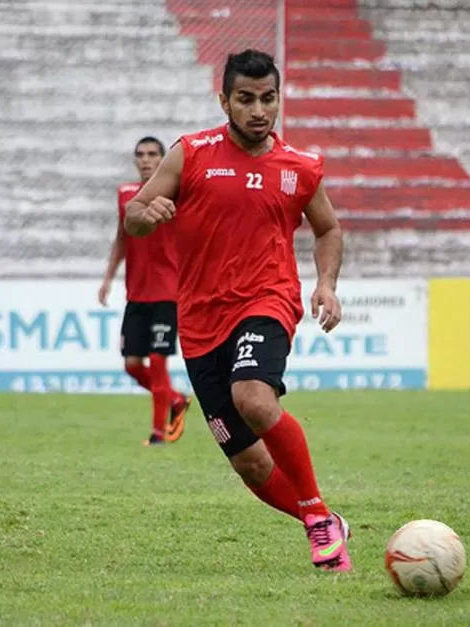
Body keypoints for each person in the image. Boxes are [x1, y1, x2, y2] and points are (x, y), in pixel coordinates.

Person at [123, 50, 352, 572]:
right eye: (245, 99)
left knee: (252, 396)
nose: (258, 110)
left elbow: (329, 228)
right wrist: (147, 212)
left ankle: (317, 518)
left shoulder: (299, 167)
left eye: (268, 98)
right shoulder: (191, 152)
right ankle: (326, 522)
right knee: (250, 463)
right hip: (200, 322)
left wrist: (326, 285)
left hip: (266, 301)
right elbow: (136, 213)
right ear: (223, 99)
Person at [99, 136, 191, 447]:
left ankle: (157, 433)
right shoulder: (126, 195)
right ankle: (176, 399)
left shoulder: (174, 196)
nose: (146, 159)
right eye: (140, 154)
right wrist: (108, 278)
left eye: (153, 154)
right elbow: (121, 239)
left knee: (157, 361)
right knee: (132, 366)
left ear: (163, 159)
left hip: (167, 293)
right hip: (136, 293)